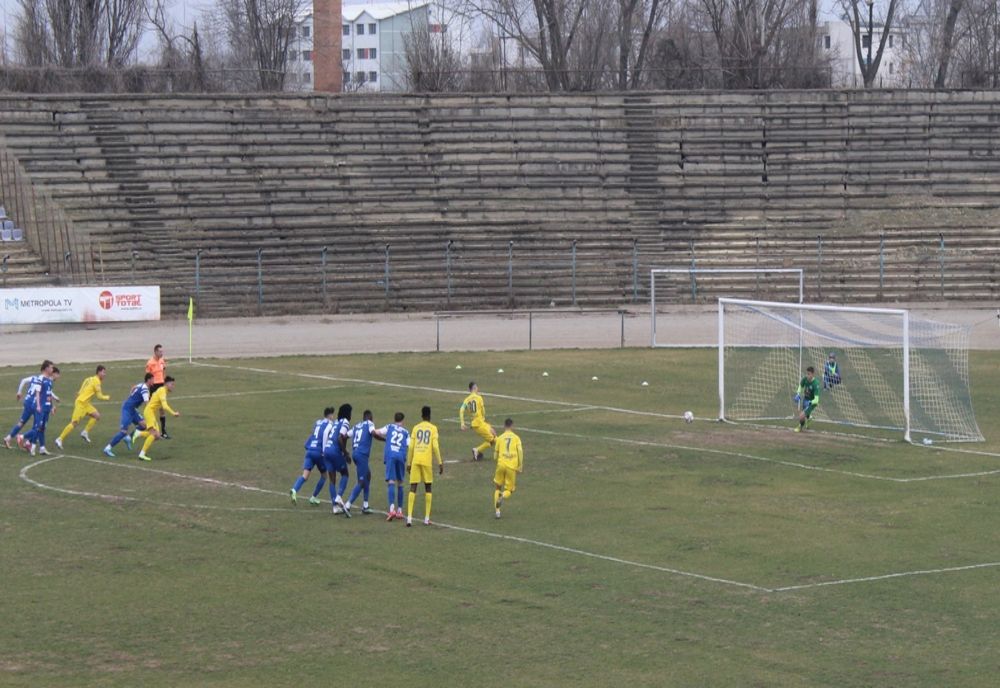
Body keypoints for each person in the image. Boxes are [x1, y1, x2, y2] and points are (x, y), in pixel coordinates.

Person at [55, 365, 110, 449]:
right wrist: (107, 397)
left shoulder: (88, 379)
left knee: (97, 416)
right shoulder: (97, 381)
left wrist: (79, 396)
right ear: (98, 372)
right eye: (103, 372)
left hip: (85, 403)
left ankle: (85, 432)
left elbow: (80, 391)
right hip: (81, 403)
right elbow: (99, 396)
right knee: (74, 423)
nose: (105, 374)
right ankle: (60, 439)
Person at [406, 405, 443, 527]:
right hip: (426, 461)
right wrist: (440, 462)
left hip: (416, 459)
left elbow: (411, 446)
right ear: (430, 415)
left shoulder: (416, 428)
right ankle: (426, 518)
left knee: (413, 487)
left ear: (421, 415)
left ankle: (409, 518)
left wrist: (409, 462)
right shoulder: (433, 428)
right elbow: (435, 446)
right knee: (428, 487)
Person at [290, 407, 335, 506]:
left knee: (304, 476)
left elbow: (313, 435)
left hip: (310, 451)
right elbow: (324, 435)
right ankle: (313, 497)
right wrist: (324, 452)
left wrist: (307, 445)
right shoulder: (330, 424)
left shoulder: (318, 422)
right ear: (330, 415)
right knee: (324, 475)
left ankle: (294, 489)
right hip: (319, 453)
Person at [3, 360, 52, 449]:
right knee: (37, 425)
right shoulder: (44, 380)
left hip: (27, 401)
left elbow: (23, 380)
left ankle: (9, 438)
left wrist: (19, 392)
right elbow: (48, 393)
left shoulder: (34, 377)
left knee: (22, 422)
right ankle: (26, 441)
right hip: (34, 403)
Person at [103, 373, 153, 458]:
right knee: (123, 432)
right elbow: (147, 404)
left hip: (132, 409)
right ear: (149, 380)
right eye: (153, 379)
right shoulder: (145, 389)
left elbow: (133, 387)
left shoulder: (141, 384)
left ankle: (129, 438)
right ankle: (107, 448)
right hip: (127, 409)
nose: (154, 381)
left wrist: (131, 397)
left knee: (144, 425)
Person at [134, 376, 180, 461]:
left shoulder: (162, 390)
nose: (173, 386)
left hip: (150, 412)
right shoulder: (162, 391)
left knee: (157, 435)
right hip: (149, 412)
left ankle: (138, 433)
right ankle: (142, 454)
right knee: (154, 434)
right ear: (166, 384)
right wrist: (174, 413)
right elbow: (165, 406)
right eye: (172, 384)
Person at [375, 412, 409, 521]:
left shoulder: (389, 427)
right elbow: (410, 444)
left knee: (391, 481)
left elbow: (377, 432)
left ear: (394, 419)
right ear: (402, 421)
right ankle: (399, 511)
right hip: (400, 456)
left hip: (391, 456)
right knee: (400, 482)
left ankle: (391, 509)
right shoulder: (406, 432)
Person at [22, 366, 60, 455]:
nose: (51, 370)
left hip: (46, 408)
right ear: (47, 369)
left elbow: (48, 396)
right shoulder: (41, 379)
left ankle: (42, 448)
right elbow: (37, 392)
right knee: (37, 427)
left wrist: (52, 407)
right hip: (41, 407)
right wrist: (38, 405)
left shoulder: (50, 382)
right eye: (50, 368)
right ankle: (28, 442)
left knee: (42, 428)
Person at [344, 410, 377, 515]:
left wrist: (344, 451)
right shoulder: (369, 423)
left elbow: (344, 436)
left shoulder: (357, 426)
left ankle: (366, 505)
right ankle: (348, 504)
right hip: (362, 455)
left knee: (368, 475)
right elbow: (373, 433)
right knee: (361, 481)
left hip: (355, 453)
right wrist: (385, 439)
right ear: (370, 418)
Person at [492, 418, 523, 519]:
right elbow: (520, 452)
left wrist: (497, 460)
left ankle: (497, 512)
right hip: (511, 467)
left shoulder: (500, 438)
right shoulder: (516, 438)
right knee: (509, 490)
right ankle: (503, 496)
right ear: (512, 426)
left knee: (497, 487)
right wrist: (520, 465)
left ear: (504, 426)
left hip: (501, 465)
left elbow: (495, 456)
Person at [328, 404, 353, 517]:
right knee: (345, 474)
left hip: (326, 450)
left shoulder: (335, 423)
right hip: (334, 451)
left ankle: (335, 507)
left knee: (332, 479)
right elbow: (340, 438)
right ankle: (339, 496)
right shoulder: (345, 422)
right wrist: (346, 453)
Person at [460, 381, 496, 461]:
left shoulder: (466, 400)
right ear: (474, 388)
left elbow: (461, 410)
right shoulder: (479, 397)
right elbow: (483, 410)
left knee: (494, 434)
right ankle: (477, 450)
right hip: (479, 424)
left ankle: (477, 450)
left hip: (479, 423)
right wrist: (484, 418)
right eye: (477, 387)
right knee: (493, 440)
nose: (478, 389)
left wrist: (462, 423)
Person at [146, 344, 169, 438]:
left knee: (162, 409)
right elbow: (147, 377)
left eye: (162, 351)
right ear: (155, 352)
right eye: (160, 351)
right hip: (153, 386)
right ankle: (150, 428)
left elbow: (163, 372)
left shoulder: (162, 361)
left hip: (161, 386)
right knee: (151, 409)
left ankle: (163, 431)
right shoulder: (150, 363)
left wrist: (164, 383)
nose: (162, 353)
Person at [794, 366, 820, 432]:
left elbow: (816, 400)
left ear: (812, 374)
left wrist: (810, 402)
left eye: (809, 374)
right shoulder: (805, 379)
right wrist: (798, 394)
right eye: (807, 374)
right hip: (806, 399)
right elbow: (800, 386)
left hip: (812, 402)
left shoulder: (815, 384)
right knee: (805, 413)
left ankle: (800, 426)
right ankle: (809, 418)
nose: (807, 375)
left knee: (801, 416)